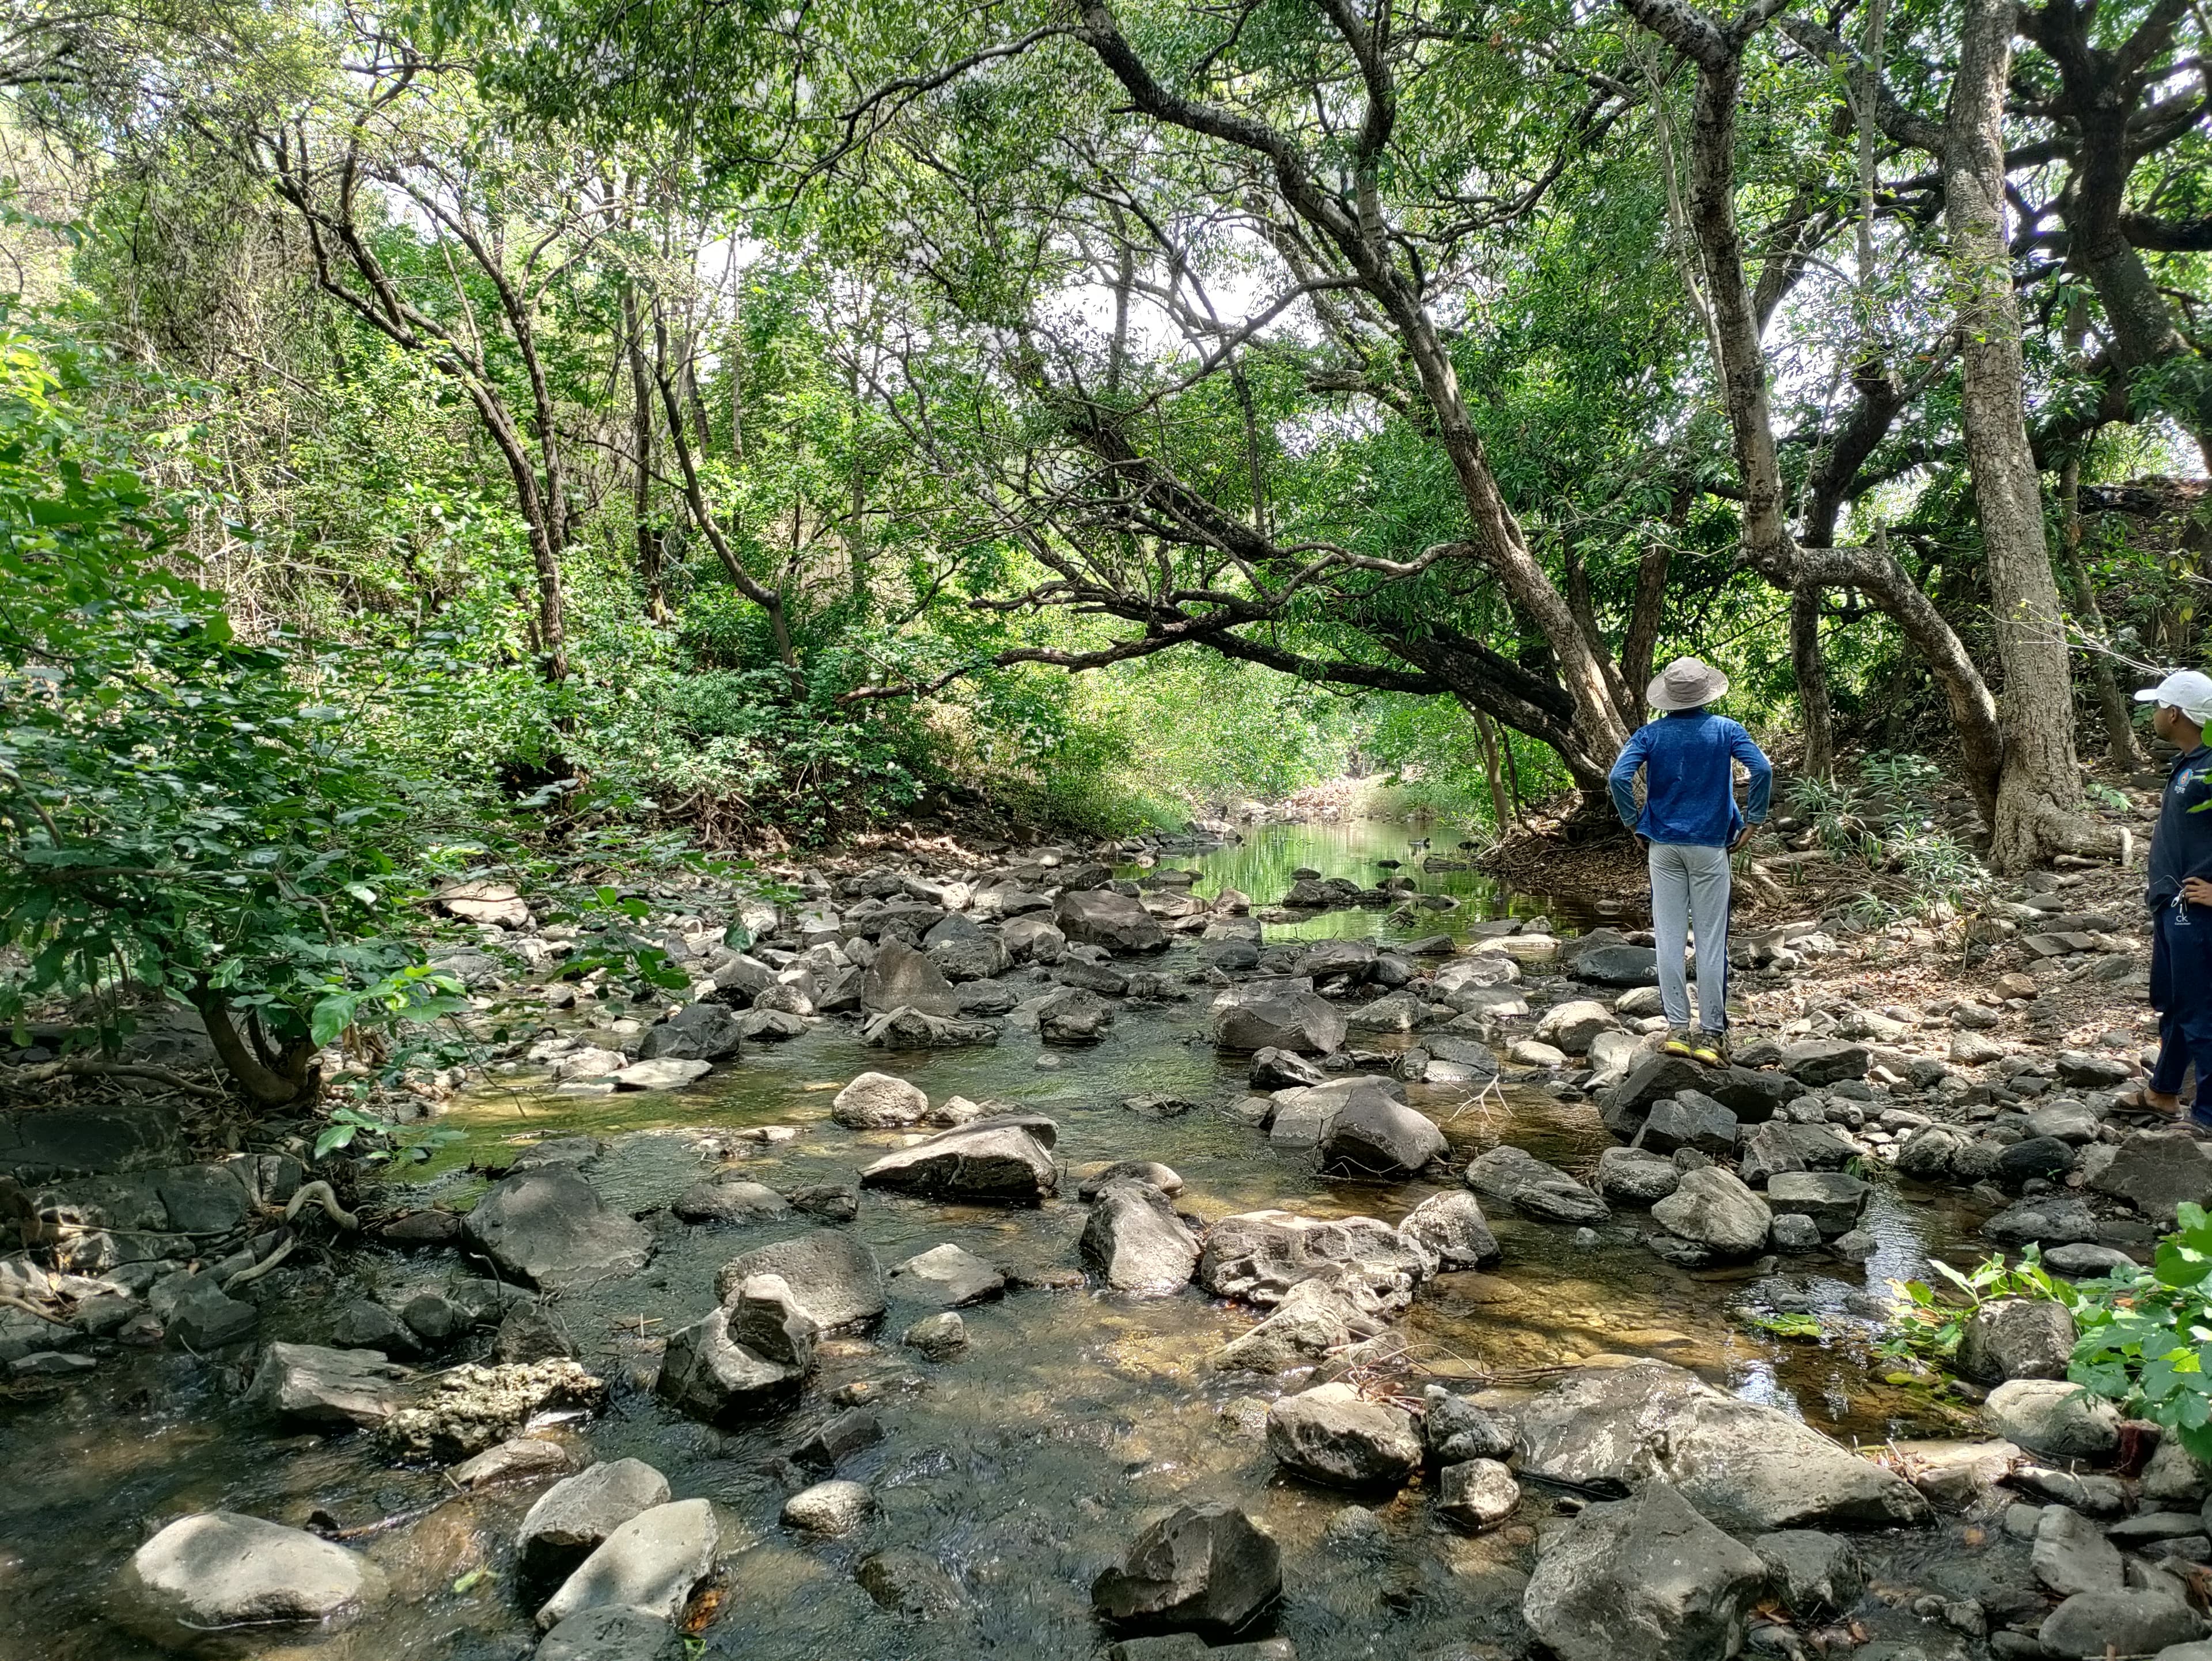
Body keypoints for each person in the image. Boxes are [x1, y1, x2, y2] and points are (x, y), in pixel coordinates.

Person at [1608, 656, 1773, 1066]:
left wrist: (1633, 821)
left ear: (1668, 698)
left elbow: (1617, 778)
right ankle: (1713, 1035)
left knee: (1668, 937)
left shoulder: (1650, 735)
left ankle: (1678, 1029)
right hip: (1710, 847)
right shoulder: (1726, 730)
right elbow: (1762, 769)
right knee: (1710, 939)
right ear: (1706, 694)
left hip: (1663, 847)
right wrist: (1754, 819)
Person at [2124, 669, 2212, 1125]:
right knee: (2175, 1004)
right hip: (2173, 905)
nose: (2154, 715)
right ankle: (2163, 1091)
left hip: (2197, 911)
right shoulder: (2191, 762)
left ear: (2175, 714)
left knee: (2201, 1012)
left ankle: (2210, 1116)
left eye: (2158, 707)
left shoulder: (2210, 769)